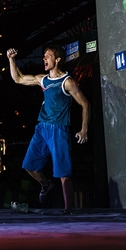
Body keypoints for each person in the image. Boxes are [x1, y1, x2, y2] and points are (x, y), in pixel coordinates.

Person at [7, 44, 90, 214]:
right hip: (42, 128)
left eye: (48, 56)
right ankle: (46, 184)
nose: (44, 58)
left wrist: (84, 130)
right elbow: (18, 79)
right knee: (29, 165)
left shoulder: (67, 82)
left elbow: (85, 104)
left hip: (59, 129)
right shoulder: (42, 79)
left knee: (63, 173)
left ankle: (68, 210)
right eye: (43, 56)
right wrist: (11, 60)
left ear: (57, 59)